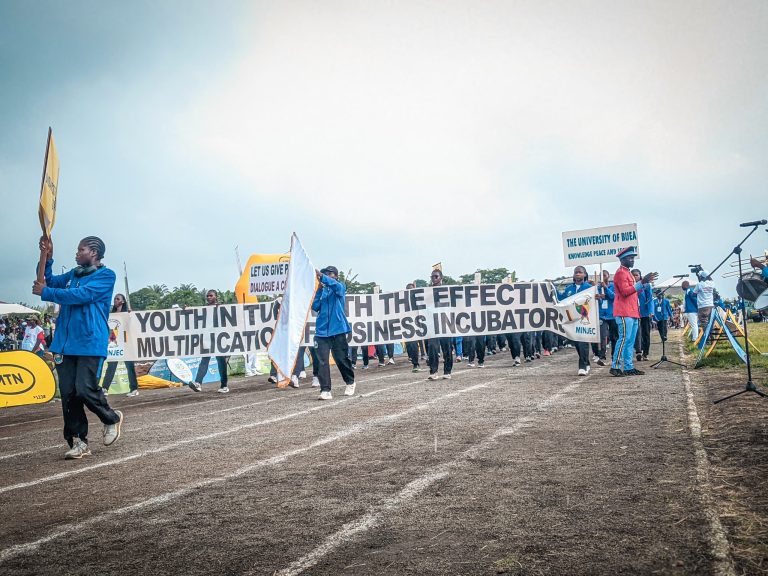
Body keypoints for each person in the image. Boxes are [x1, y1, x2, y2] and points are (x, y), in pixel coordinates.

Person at [33, 235, 123, 460]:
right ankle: (79, 441)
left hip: (90, 342)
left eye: (80, 249)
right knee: (68, 394)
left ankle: (111, 418)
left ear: (94, 252)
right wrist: (47, 257)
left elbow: (83, 295)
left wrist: (46, 292)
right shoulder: (73, 274)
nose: (76, 253)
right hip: (65, 344)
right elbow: (48, 280)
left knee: (84, 389)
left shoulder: (106, 276)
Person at [610, 246, 658, 377]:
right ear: (622, 259)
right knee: (624, 339)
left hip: (632, 312)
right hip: (624, 311)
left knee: (630, 341)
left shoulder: (628, 273)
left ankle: (629, 367)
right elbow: (625, 292)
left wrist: (645, 284)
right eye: (630, 258)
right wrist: (642, 282)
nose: (632, 260)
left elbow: (633, 292)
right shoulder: (620, 273)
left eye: (633, 258)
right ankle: (615, 366)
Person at [312, 265, 356, 399]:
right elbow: (315, 306)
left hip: (338, 330)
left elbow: (338, 288)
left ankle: (350, 382)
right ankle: (325, 390)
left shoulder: (340, 286)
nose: (327, 275)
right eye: (325, 273)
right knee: (322, 361)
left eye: (330, 273)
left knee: (341, 359)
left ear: (335, 276)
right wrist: (319, 290)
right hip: (321, 332)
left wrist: (322, 277)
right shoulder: (322, 290)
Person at [101, 294, 140, 397]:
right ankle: (105, 388)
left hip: (127, 343)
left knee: (129, 366)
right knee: (111, 366)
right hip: (115, 344)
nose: (115, 300)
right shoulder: (111, 315)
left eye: (117, 299)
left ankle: (134, 389)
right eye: (115, 298)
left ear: (122, 301)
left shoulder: (127, 314)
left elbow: (132, 326)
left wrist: (130, 316)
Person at [193, 290, 230, 393]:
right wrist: (186, 310)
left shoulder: (221, 308)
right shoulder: (204, 309)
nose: (208, 297)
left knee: (221, 362)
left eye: (211, 295)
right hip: (208, 339)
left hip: (219, 339)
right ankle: (198, 383)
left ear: (216, 297)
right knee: (204, 360)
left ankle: (224, 385)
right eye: (207, 296)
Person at [560, 265, 593, 376]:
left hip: (585, 319)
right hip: (572, 320)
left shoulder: (589, 287)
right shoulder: (569, 288)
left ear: (585, 274)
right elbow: (562, 300)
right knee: (577, 344)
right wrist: (553, 292)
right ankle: (586, 362)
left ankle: (582, 367)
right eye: (576, 272)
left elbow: (595, 302)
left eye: (580, 272)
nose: (577, 274)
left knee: (583, 342)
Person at [426, 269, 453, 380]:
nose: (434, 278)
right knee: (432, 347)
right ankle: (433, 371)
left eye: (436, 276)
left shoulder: (447, 290)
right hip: (432, 324)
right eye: (432, 277)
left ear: (441, 278)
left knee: (447, 348)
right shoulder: (427, 292)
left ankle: (447, 371)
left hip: (445, 323)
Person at [596, 270, 616, 366]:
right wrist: (599, 297)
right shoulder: (597, 288)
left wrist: (606, 288)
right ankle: (602, 356)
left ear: (608, 276)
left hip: (612, 315)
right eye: (601, 276)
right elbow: (597, 301)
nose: (602, 277)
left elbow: (614, 297)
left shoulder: (614, 286)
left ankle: (614, 356)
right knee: (603, 336)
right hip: (602, 316)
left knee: (614, 337)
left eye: (604, 275)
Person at [632, 268, 653, 361]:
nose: (635, 277)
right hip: (633, 313)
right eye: (633, 275)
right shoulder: (630, 286)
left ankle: (646, 353)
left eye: (636, 275)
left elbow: (650, 299)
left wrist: (651, 311)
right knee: (636, 333)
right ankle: (638, 351)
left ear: (640, 276)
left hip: (645, 313)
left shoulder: (646, 285)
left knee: (646, 334)